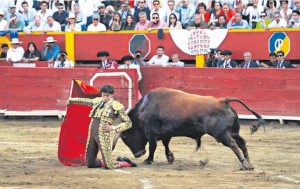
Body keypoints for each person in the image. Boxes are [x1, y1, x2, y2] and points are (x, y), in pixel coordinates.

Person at [67, 85, 136, 169]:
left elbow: (128, 123)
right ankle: (105, 161)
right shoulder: (98, 101)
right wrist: (72, 100)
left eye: (107, 95)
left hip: (103, 134)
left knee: (109, 166)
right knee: (90, 163)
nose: (105, 97)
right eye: (103, 95)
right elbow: (85, 101)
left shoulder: (116, 106)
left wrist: (113, 128)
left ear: (111, 95)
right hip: (92, 133)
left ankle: (126, 162)